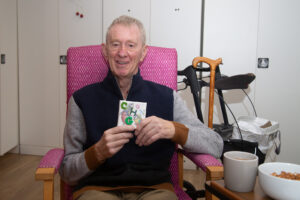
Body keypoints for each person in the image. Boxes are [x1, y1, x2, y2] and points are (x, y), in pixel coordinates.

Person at [59, 15, 223, 200]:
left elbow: (216, 145)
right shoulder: (81, 100)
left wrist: (174, 130)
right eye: (115, 44)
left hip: (155, 190)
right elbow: (67, 172)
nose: (122, 52)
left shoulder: (167, 97)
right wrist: (96, 153)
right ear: (105, 51)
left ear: (143, 52)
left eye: (131, 45)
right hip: (97, 190)